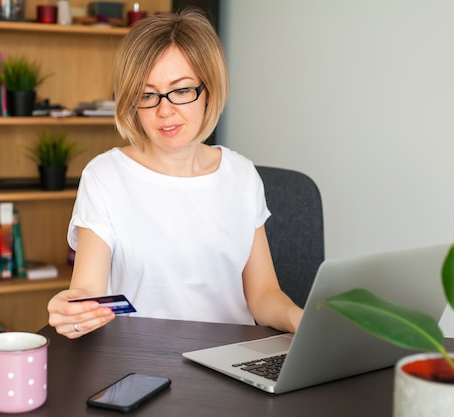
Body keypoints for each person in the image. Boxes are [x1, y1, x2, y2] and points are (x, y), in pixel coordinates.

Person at [47, 9, 303, 339]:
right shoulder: (104, 177)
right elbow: (86, 292)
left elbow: (263, 296)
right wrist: (73, 311)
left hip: (229, 360)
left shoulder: (241, 176)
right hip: (139, 363)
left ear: (209, 89)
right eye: (147, 94)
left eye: (181, 90)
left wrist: (300, 319)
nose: (164, 111)